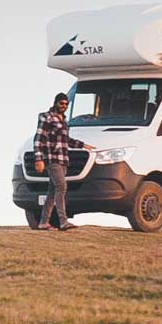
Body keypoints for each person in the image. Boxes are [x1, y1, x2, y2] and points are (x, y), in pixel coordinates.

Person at [33, 93, 95, 231]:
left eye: (66, 104)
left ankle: (43, 222)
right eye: (61, 103)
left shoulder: (64, 120)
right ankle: (63, 221)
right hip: (52, 159)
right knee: (62, 187)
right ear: (55, 103)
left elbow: (66, 140)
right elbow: (38, 139)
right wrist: (38, 159)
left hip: (63, 160)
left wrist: (83, 145)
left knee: (52, 191)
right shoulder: (46, 117)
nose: (64, 106)